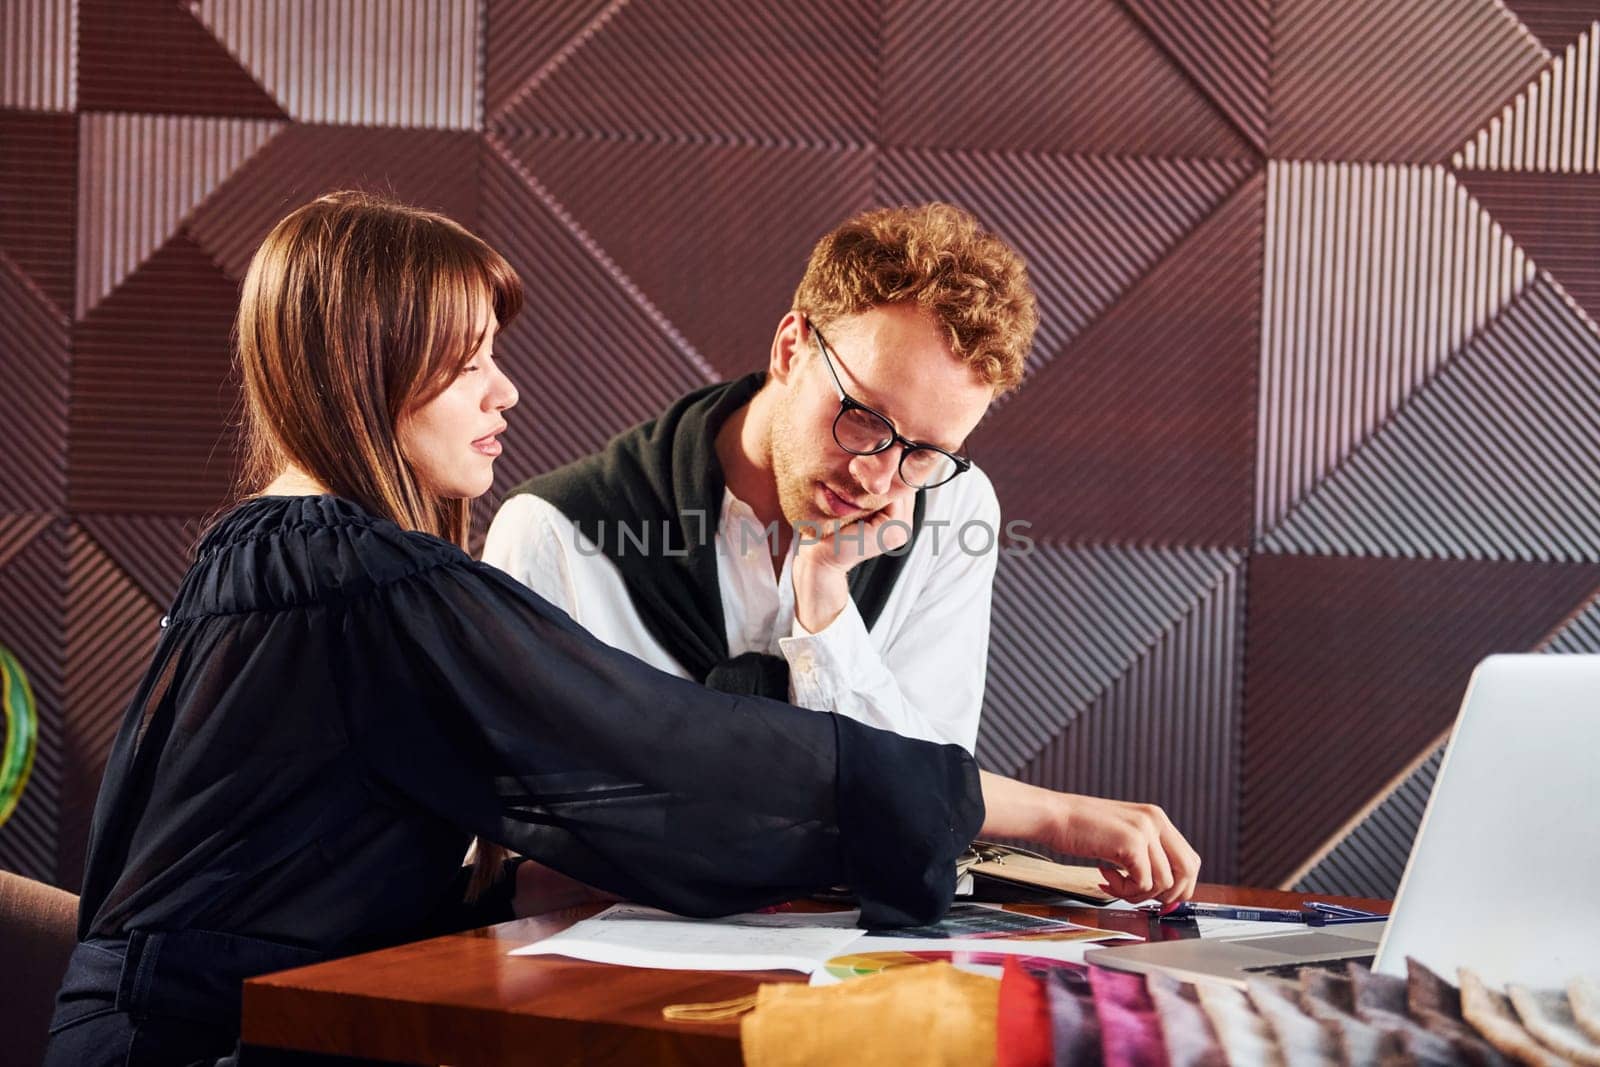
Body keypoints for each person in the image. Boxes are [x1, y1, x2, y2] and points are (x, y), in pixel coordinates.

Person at [45, 192, 983, 1066]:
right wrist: (1028, 809)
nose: (506, 394)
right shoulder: (366, 580)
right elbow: (674, 746)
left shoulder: (265, 550)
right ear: (368, 375)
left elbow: (303, 869)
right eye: (468, 365)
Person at [485, 203, 1201, 907]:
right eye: (862, 417)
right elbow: (518, 848)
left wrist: (824, 599)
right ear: (790, 349)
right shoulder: (555, 533)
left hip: (849, 960)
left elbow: (926, 798)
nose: (876, 476)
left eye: (924, 452)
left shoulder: (951, 508)